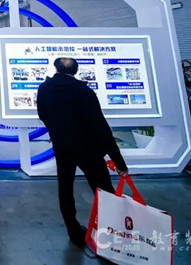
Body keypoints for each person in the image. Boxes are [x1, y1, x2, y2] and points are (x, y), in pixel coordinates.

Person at [37, 57, 129, 247]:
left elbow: (43, 115)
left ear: (56, 69)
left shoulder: (45, 88)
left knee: (65, 189)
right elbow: (101, 126)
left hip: (62, 147)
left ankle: (73, 232)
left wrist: (57, 131)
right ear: (76, 71)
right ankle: (112, 234)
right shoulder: (84, 91)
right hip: (89, 149)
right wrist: (118, 161)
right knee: (104, 191)